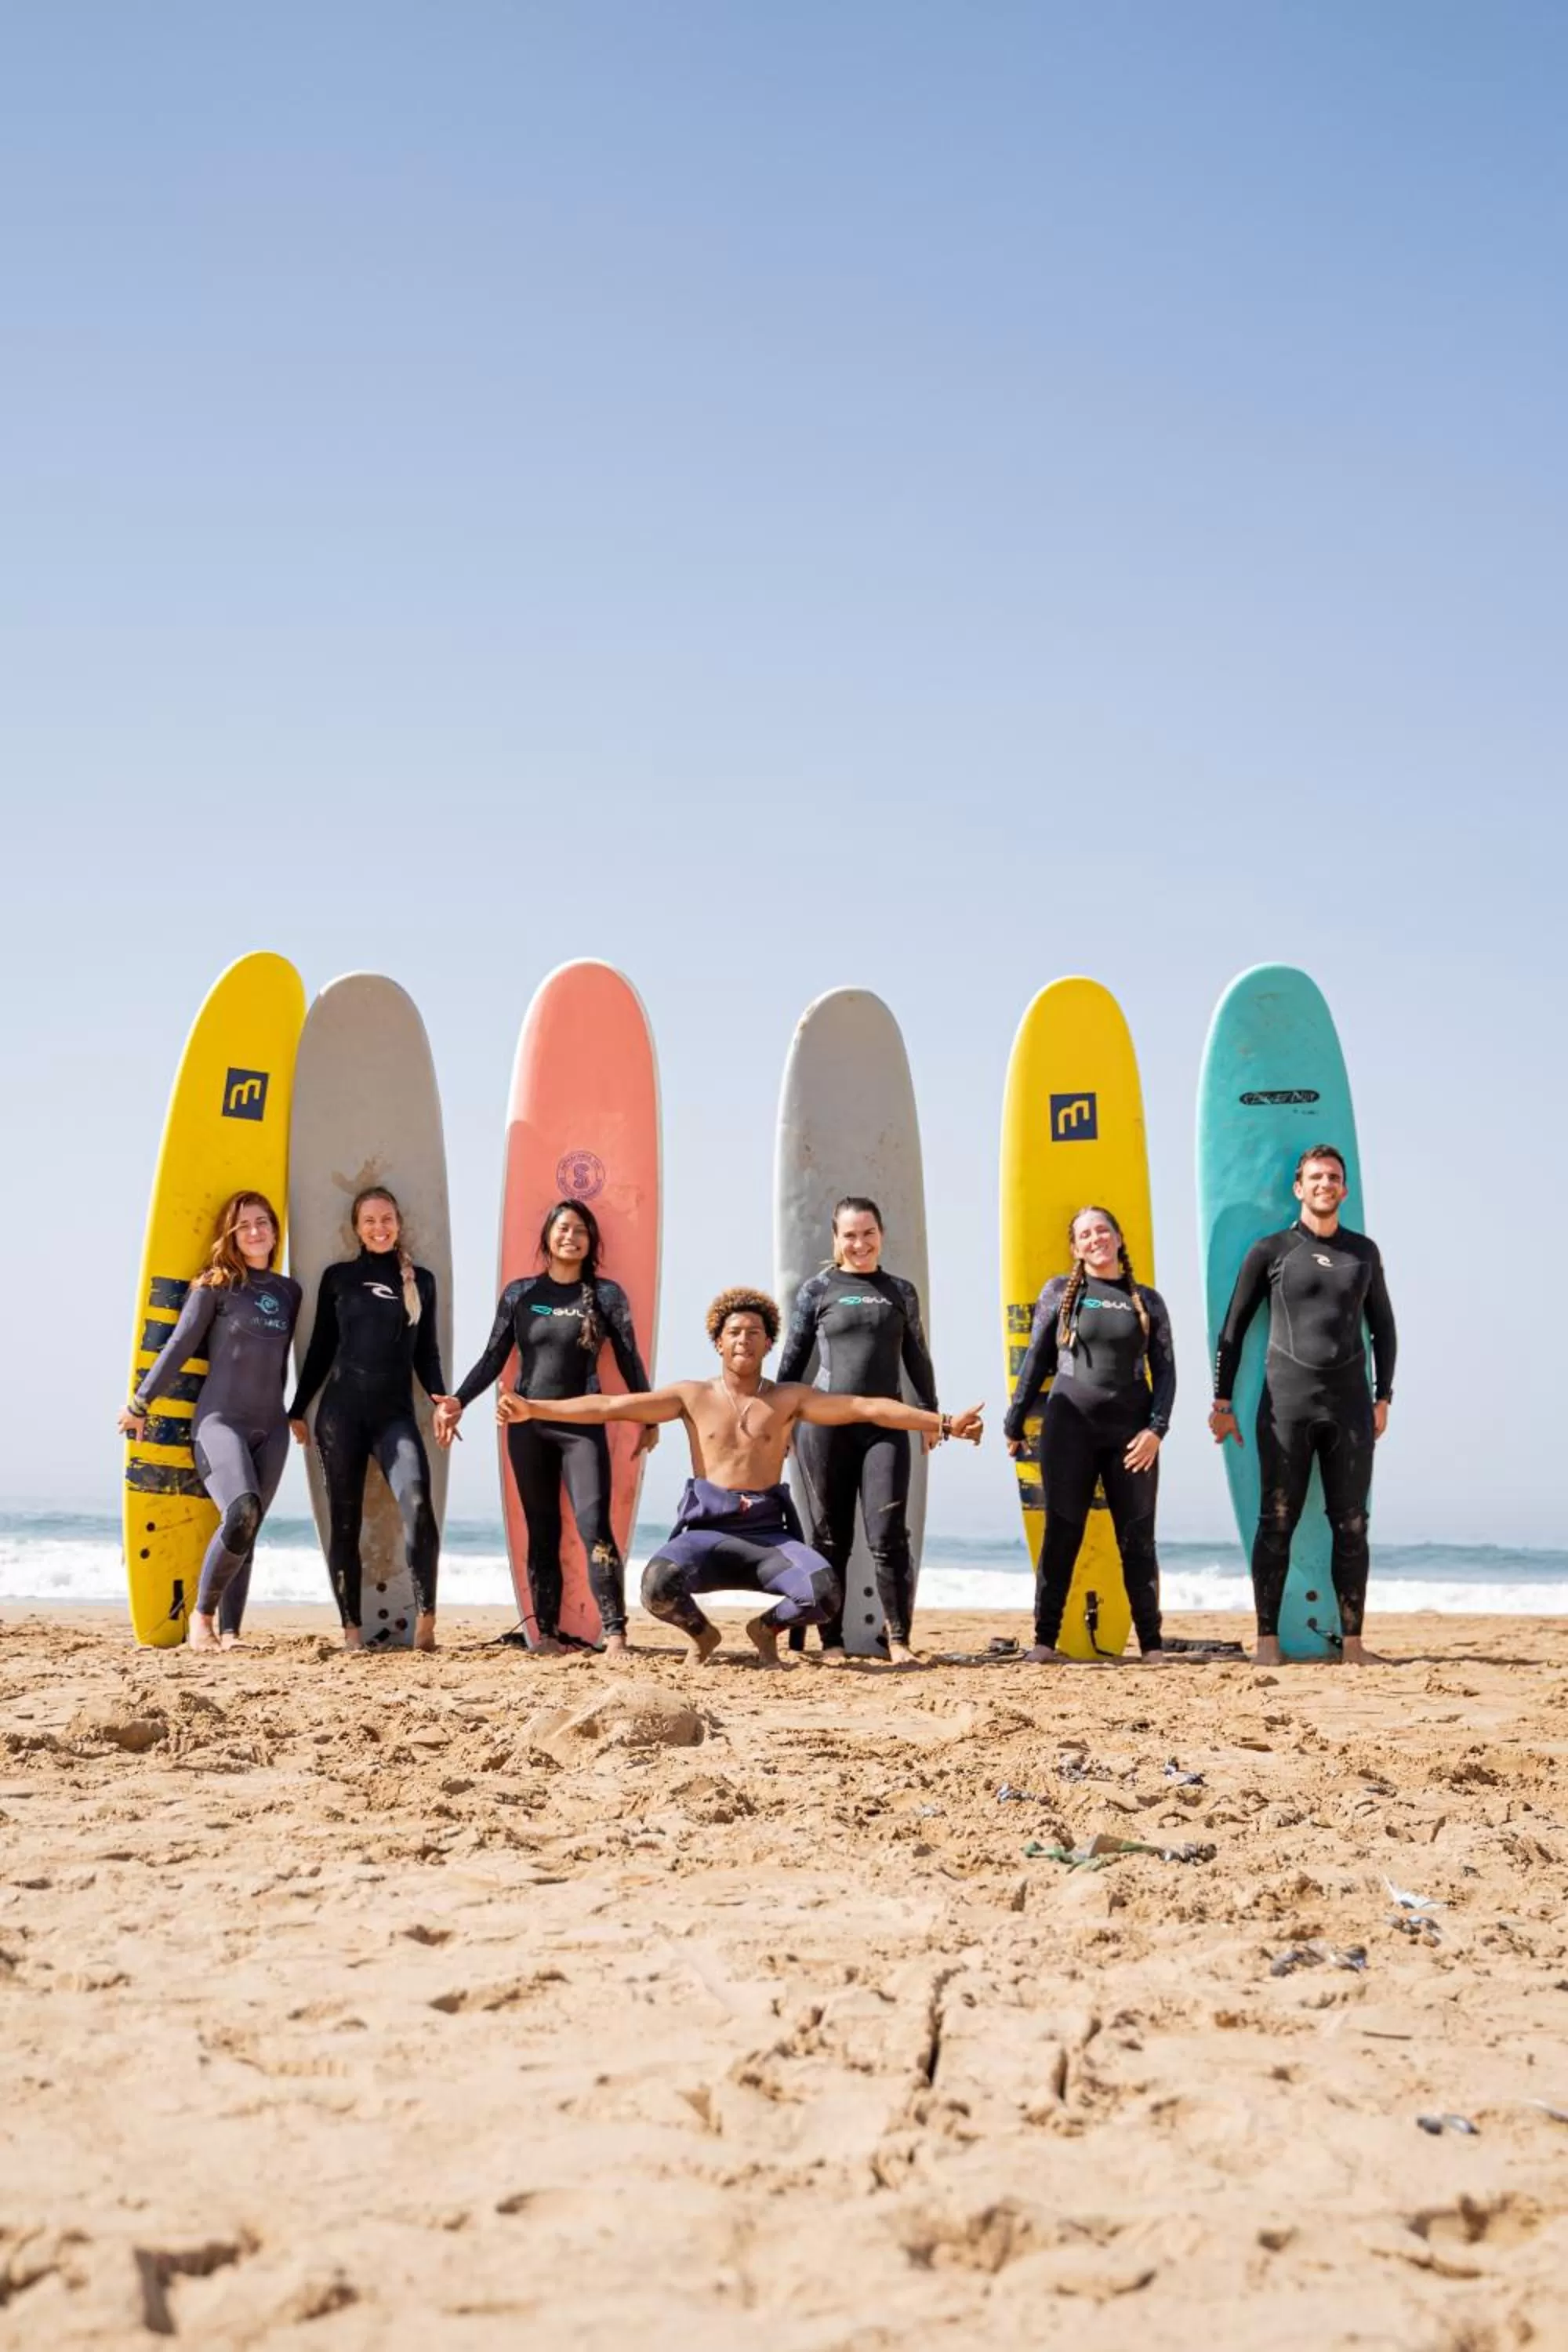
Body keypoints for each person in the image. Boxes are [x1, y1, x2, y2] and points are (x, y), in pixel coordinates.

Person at [497, 1287, 983, 1667]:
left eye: (754, 1332)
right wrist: (534, 1407)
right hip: (706, 1534)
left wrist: (940, 1422)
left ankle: (764, 1630)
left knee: (825, 1593)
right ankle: (703, 1634)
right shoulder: (691, 1396)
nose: (743, 1340)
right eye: (734, 1332)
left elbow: (866, 1406)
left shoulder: (789, 1398)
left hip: (767, 1536)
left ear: (769, 1342)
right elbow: (610, 1405)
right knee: (656, 1586)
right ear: (717, 1341)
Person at [434, 1200, 654, 1654]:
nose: (570, 1237)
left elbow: (630, 1358)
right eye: (562, 1229)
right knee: (542, 1529)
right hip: (526, 1423)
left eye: (580, 1231)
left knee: (595, 1526)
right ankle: (547, 1636)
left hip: (582, 1426)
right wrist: (458, 1400)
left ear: (591, 1242)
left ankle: (615, 1634)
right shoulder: (521, 1294)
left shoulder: (606, 1296)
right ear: (547, 1237)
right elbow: (494, 1356)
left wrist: (647, 1413)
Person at [1209, 1143, 1396, 1667]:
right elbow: (1233, 1328)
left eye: (1334, 1177)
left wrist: (1384, 1397)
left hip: (1351, 1408)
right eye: (1316, 1177)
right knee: (1277, 1519)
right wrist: (1221, 1400)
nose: (1325, 1185)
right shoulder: (1270, 1251)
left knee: (1352, 1524)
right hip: (1285, 1408)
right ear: (1299, 1187)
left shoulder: (1363, 1252)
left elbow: (1384, 1329)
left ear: (1345, 1189)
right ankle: (1267, 1642)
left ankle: (1353, 1646)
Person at [118, 1191, 300, 1651]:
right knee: (240, 1512)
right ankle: (203, 1617)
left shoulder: (288, 1291)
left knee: (251, 1522)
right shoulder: (214, 1286)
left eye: (263, 1222)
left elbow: (289, 1365)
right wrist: (141, 1404)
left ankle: (235, 1630)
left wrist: (297, 1414)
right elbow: (178, 1347)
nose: (256, 1231)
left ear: (276, 1230)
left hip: (272, 1426)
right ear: (231, 1235)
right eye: (244, 1225)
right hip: (221, 1423)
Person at [1003, 1206, 1175, 1664]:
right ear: (1076, 1247)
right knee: (1062, 1535)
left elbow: (1167, 1373)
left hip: (1131, 1436)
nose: (1095, 1238)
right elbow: (1036, 1359)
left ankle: (1152, 1646)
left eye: (1103, 1230)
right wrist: (1014, 1422)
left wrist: (1157, 1431)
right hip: (1068, 1428)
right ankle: (1044, 1641)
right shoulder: (1061, 1292)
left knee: (1137, 1538)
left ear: (1119, 1238)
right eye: (1085, 1234)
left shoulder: (1147, 1300)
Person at [776, 1196, 938, 1668]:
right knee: (829, 1538)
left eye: (868, 1233)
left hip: (885, 1427)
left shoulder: (901, 1292)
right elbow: (793, 1361)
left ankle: (900, 1640)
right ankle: (831, 1644)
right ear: (836, 1239)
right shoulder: (818, 1290)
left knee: (888, 1536)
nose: (859, 1243)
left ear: (881, 1235)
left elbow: (918, 1358)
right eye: (850, 1234)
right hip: (824, 1428)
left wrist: (929, 1414)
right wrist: (782, 1420)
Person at [287, 1186, 446, 1653]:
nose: (380, 1228)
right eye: (370, 1221)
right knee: (344, 1522)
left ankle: (427, 1623)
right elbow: (319, 1349)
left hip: (394, 1417)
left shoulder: (421, 1281)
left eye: (387, 1219)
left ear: (399, 1223)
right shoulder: (339, 1278)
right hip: (341, 1417)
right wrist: (297, 1410)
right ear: (356, 1228)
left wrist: (442, 1400)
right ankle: (351, 1633)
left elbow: (428, 1354)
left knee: (418, 1505)